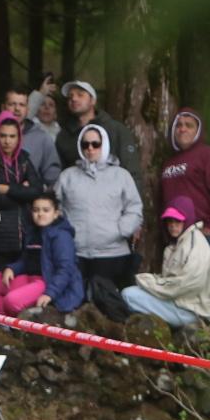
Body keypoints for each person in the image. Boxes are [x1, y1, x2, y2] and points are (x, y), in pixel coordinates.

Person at [57, 124, 143, 321]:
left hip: (112, 253)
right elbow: (54, 208)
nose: (90, 149)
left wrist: (121, 230)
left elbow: (134, 208)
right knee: (76, 309)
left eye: (96, 144)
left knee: (110, 309)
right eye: (85, 144)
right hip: (76, 253)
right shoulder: (67, 176)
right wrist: (66, 233)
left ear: (104, 145)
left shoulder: (121, 176)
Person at [158, 108, 210, 276]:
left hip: (205, 235)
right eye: (178, 125)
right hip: (177, 236)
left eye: (189, 125)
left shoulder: (209, 155)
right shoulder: (169, 162)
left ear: (198, 130)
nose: (182, 129)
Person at [0, 192, 84, 318]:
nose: (40, 214)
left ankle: (15, 326)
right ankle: (4, 324)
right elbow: (26, 261)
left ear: (56, 214)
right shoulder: (33, 231)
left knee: (11, 301)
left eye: (46, 210)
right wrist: (12, 269)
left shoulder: (61, 236)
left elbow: (65, 270)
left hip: (47, 283)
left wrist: (50, 293)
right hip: (29, 279)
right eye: (36, 210)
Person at [122, 197, 210, 327]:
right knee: (133, 292)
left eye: (177, 221)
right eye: (169, 221)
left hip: (192, 312)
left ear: (187, 220)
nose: (172, 225)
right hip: (179, 303)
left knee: (128, 295)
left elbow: (182, 286)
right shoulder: (178, 243)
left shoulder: (196, 246)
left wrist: (147, 282)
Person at [0, 111, 41, 283]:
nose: (7, 141)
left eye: (12, 136)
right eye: (3, 135)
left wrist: (7, 188)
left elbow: (37, 191)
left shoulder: (24, 159)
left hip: (22, 233)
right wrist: (22, 193)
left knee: (19, 285)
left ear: (19, 137)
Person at [0, 87, 62, 190]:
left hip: (31, 200)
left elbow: (52, 175)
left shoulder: (42, 138)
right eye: (12, 104)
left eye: (22, 105)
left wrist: (38, 189)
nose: (17, 109)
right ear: (3, 107)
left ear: (27, 109)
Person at [60, 80, 139, 177]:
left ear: (93, 100)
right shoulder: (64, 135)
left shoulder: (116, 130)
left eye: (80, 95)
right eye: (70, 96)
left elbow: (132, 170)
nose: (74, 99)